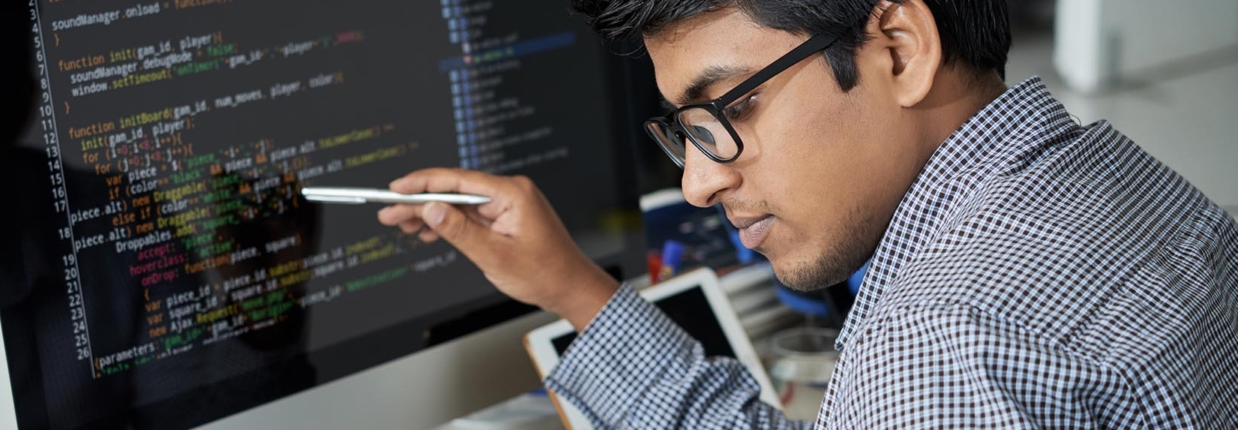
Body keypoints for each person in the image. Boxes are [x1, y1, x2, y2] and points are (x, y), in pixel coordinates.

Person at [377, 0, 1238, 428]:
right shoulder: (1126, 184)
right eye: (686, 132)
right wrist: (573, 290)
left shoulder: (940, 344)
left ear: (900, 48)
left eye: (730, 110)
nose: (700, 186)